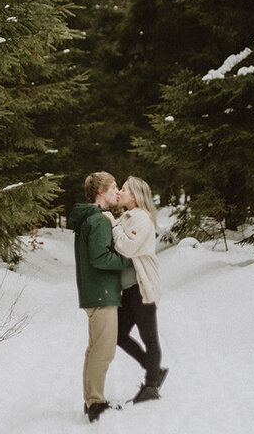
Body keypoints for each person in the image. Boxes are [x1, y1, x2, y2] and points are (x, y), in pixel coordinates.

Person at [67, 171, 133, 423]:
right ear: (100, 192)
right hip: (101, 293)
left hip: (96, 291)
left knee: (95, 349)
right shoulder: (98, 221)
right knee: (103, 351)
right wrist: (129, 260)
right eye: (113, 187)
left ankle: (92, 400)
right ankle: (95, 403)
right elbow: (100, 258)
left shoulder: (95, 218)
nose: (117, 191)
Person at [104, 176, 168, 403]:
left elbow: (128, 247)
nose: (119, 192)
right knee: (118, 335)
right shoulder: (126, 217)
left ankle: (151, 386)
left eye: (123, 189)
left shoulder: (142, 218)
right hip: (129, 289)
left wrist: (112, 225)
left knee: (149, 337)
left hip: (142, 288)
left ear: (135, 195)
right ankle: (154, 370)